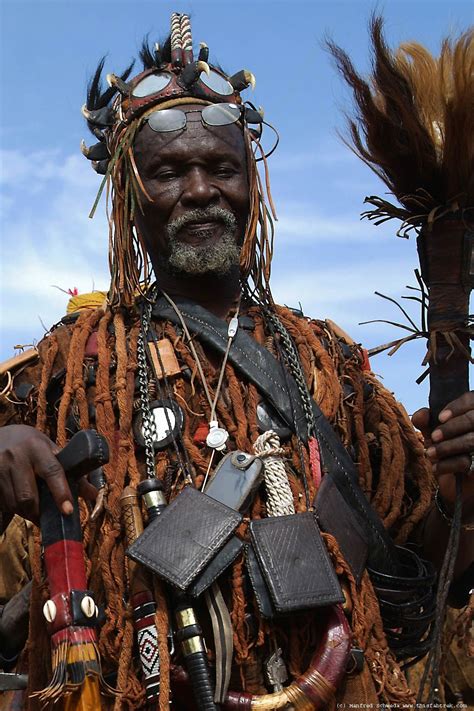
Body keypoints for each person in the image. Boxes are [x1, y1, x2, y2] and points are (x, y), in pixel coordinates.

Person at [0, 13, 473, 711]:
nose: (199, 191)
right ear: (131, 198)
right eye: (169, 171)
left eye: (222, 168)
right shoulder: (72, 363)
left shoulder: (329, 361)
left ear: (253, 187)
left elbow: (424, 576)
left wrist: (458, 492)